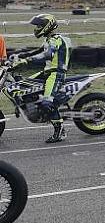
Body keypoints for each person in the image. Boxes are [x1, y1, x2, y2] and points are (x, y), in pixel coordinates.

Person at [9, 14, 71, 143]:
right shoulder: (48, 40)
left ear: (47, 26)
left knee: (47, 103)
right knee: (23, 85)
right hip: (47, 73)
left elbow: (47, 54)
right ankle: (25, 106)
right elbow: (37, 51)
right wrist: (19, 55)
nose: (37, 28)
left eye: (39, 26)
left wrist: (25, 61)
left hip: (56, 74)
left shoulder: (56, 40)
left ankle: (60, 131)